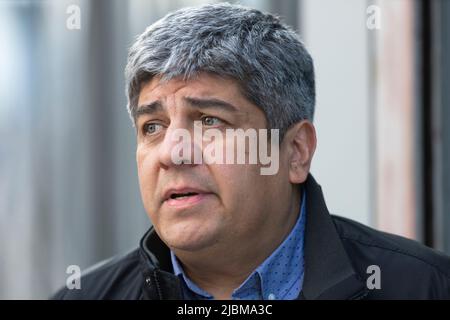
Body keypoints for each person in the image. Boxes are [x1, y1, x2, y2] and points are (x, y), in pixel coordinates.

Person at [53, 3, 450, 300]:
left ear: (295, 151)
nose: (172, 153)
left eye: (210, 121)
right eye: (152, 127)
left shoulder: (423, 287)